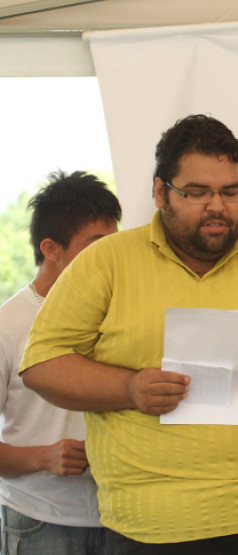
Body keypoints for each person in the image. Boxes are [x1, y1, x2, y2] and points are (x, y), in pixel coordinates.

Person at [19, 114, 238, 554]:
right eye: (196, 193)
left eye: (231, 192)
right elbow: (42, 364)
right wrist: (129, 388)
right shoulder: (105, 262)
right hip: (155, 524)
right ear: (158, 191)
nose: (217, 206)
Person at [0, 171, 120, 555]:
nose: (111, 256)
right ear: (51, 248)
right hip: (40, 523)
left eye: (115, 243)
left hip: (124, 519)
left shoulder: (124, 315)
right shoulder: (9, 325)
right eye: (96, 244)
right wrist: (43, 457)